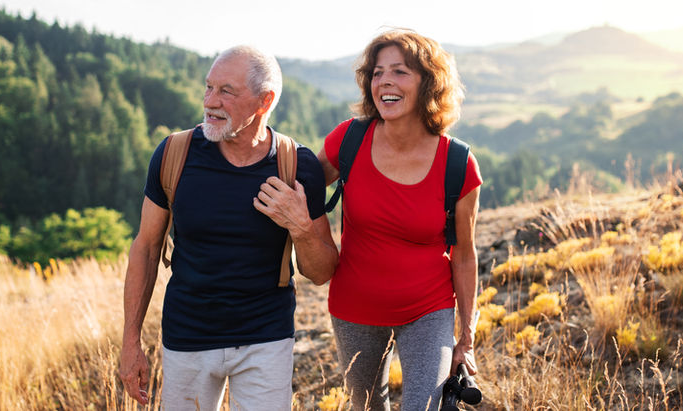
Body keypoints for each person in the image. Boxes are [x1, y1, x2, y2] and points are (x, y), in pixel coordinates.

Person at [120, 45, 337, 411]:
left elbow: (321, 273)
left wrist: (301, 227)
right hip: (186, 337)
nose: (210, 101)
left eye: (226, 91)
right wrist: (130, 342)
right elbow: (145, 247)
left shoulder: (296, 165)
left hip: (265, 340)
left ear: (264, 101)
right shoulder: (174, 154)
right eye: (208, 87)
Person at [316, 29, 482, 410]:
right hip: (354, 308)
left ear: (428, 83)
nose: (385, 80)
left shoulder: (458, 164)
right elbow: (302, 187)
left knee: (424, 405)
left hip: (428, 309)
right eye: (377, 72)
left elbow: (464, 255)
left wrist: (466, 337)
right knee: (367, 407)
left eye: (400, 71)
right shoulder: (349, 140)